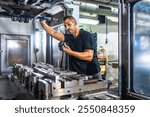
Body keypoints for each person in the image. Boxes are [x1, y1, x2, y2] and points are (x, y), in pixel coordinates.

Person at [41, 16, 102, 81]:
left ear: (75, 23)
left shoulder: (86, 35)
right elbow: (53, 33)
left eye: (69, 24)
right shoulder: (69, 37)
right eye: (65, 26)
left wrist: (70, 52)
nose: (67, 28)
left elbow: (89, 56)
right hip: (78, 74)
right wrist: (42, 22)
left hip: (91, 74)